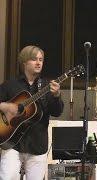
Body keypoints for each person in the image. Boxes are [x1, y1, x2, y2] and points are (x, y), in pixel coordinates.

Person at [0, 45, 64, 180]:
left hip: (37, 144)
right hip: (12, 143)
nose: (39, 62)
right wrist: (6, 107)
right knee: (8, 177)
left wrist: (57, 95)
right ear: (24, 62)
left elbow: (57, 112)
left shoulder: (47, 86)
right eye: (34, 59)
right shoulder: (10, 85)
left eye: (41, 59)